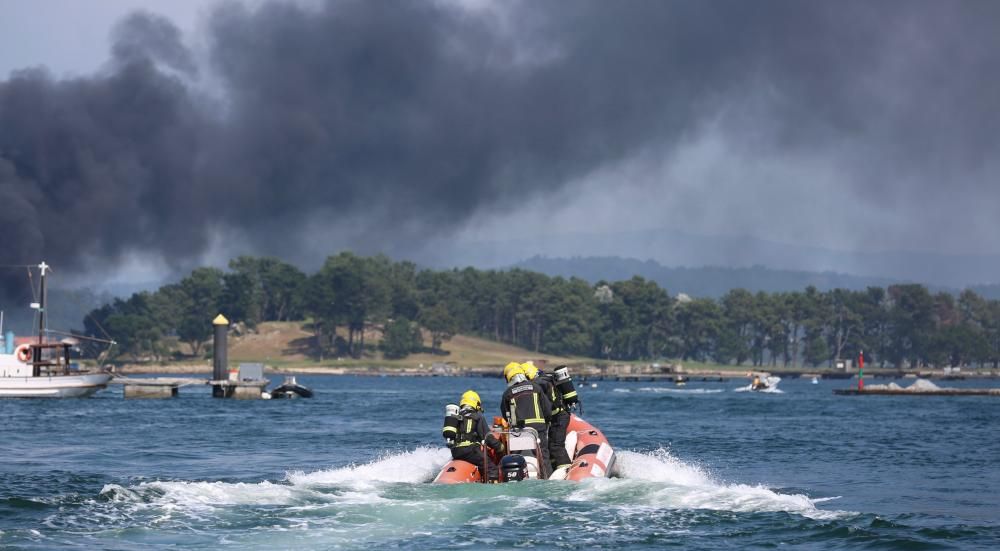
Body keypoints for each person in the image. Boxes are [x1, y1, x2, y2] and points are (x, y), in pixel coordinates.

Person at [500, 363, 552, 478]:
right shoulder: (536, 387)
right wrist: (546, 422)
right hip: (538, 428)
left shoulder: (508, 393)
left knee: (515, 456)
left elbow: (505, 413)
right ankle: (547, 478)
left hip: (518, 431)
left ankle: (516, 478)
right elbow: (547, 409)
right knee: (543, 456)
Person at [521, 361, 573, 473]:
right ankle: (556, 468)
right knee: (552, 445)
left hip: (558, 417)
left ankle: (567, 470)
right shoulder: (546, 378)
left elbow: (545, 405)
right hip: (560, 415)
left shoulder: (538, 384)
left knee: (556, 445)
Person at [444, 390, 504, 481]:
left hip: (456, 451)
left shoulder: (456, 416)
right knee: (492, 468)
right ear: (476, 403)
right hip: (470, 451)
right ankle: (492, 489)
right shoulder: (477, 416)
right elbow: (487, 437)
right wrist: (500, 447)